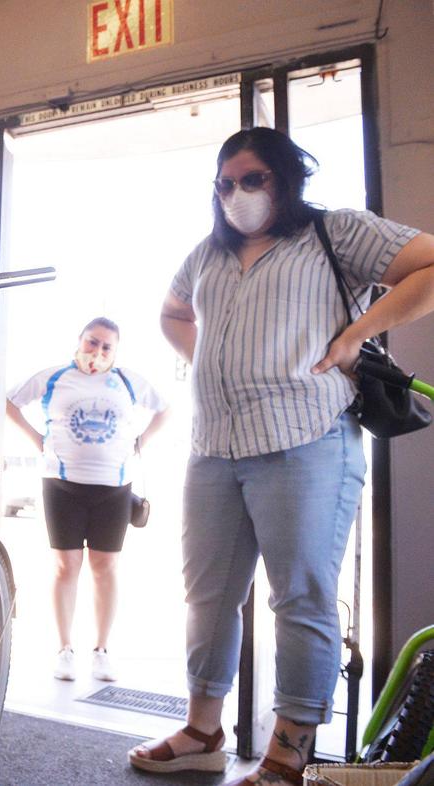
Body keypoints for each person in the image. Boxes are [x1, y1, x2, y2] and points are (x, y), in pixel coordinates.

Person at [129, 127, 434, 786]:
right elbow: (174, 311)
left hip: (306, 441)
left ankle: (288, 751)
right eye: (224, 183)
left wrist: (359, 333)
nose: (234, 193)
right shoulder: (209, 254)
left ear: (285, 178)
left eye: (250, 179)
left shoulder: (334, 233)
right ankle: (203, 730)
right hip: (214, 446)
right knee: (207, 596)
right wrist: (207, 360)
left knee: (299, 597)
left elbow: (429, 266)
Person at [5, 317, 168, 682]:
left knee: (104, 568)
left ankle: (101, 650)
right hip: (61, 486)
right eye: (93, 342)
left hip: (113, 488)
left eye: (106, 346)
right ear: (80, 341)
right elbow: (9, 402)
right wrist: (36, 439)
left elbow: (164, 408)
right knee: (66, 566)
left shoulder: (127, 381)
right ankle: (64, 649)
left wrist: (141, 442)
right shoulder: (54, 376)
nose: (98, 351)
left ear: (115, 351)